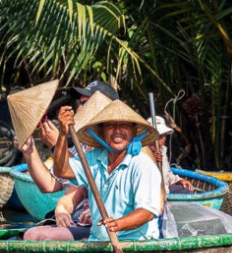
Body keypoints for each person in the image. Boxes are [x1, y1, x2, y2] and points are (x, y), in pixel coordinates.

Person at [13, 82, 118, 241]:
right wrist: (30, 151)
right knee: (26, 235)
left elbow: (83, 175)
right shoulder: (80, 147)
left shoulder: (116, 150)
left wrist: (57, 144)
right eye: (80, 104)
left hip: (106, 225)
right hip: (75, 221)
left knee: (36, 235)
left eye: (85, 103)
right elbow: (50, 185)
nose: (78, 109)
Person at [53, 100, 162, 241]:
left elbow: (147, 212)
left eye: (124, 125)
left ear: (134, 131)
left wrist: (118, 225)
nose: (117, 131)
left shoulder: (142, 164)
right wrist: (62, 134)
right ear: (101, 132)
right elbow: (62, 171)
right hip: (99, 241)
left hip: (136, 242)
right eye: (110, 126)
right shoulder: (93, 159)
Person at [153, 115, 194, 194]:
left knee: (186, 189)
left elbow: (167, 172)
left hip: (165, 188)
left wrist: (179, 180)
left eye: (164, 135)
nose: (164, 138)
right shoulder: (143, 153)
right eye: (160, 135)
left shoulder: (162, 150)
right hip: (154, 193)